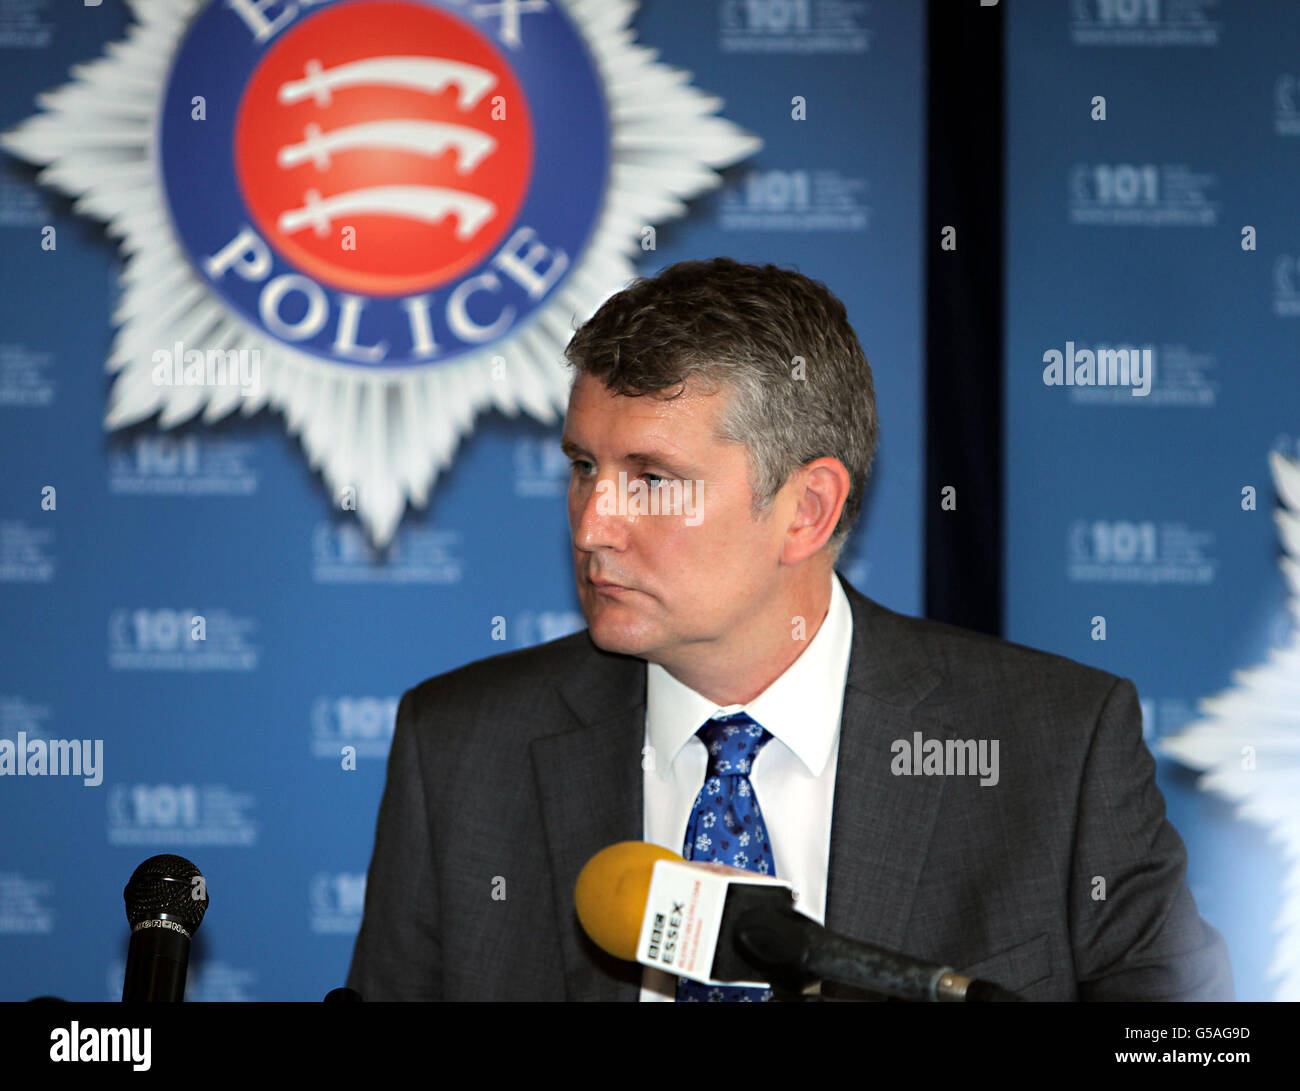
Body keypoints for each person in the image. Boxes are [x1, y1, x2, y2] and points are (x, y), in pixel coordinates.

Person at [346, 257, 1233, 1001]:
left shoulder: (1054, 748)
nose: (591, 525)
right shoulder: (462, 749)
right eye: (585, 466)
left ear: (807, 510)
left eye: (653, 478)